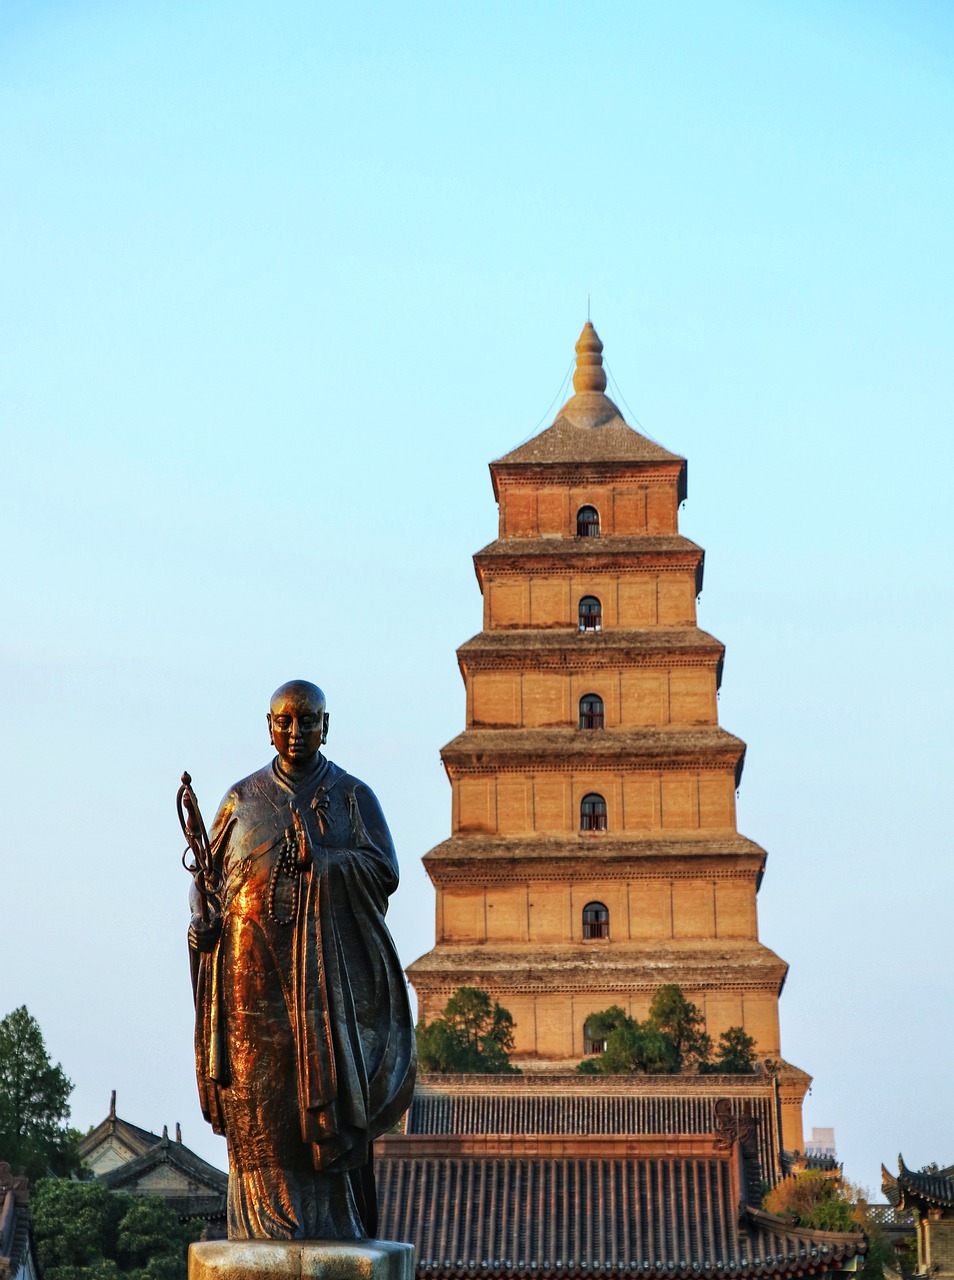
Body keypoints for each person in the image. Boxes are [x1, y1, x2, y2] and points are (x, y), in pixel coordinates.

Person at [187, 680, 416, 1240]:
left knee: (322, 1093)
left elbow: (383, 871)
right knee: (257, 1094)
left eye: (307, 722)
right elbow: (207, 880)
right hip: (249, 972)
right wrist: (203, 920)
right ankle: (262, 1224)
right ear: (268, 726)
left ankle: (330, 1223)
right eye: (284, 722)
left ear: (326, 726)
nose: (295, 733)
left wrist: (324, 861)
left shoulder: (352, 797)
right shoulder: (240, 801)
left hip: (323, 977)